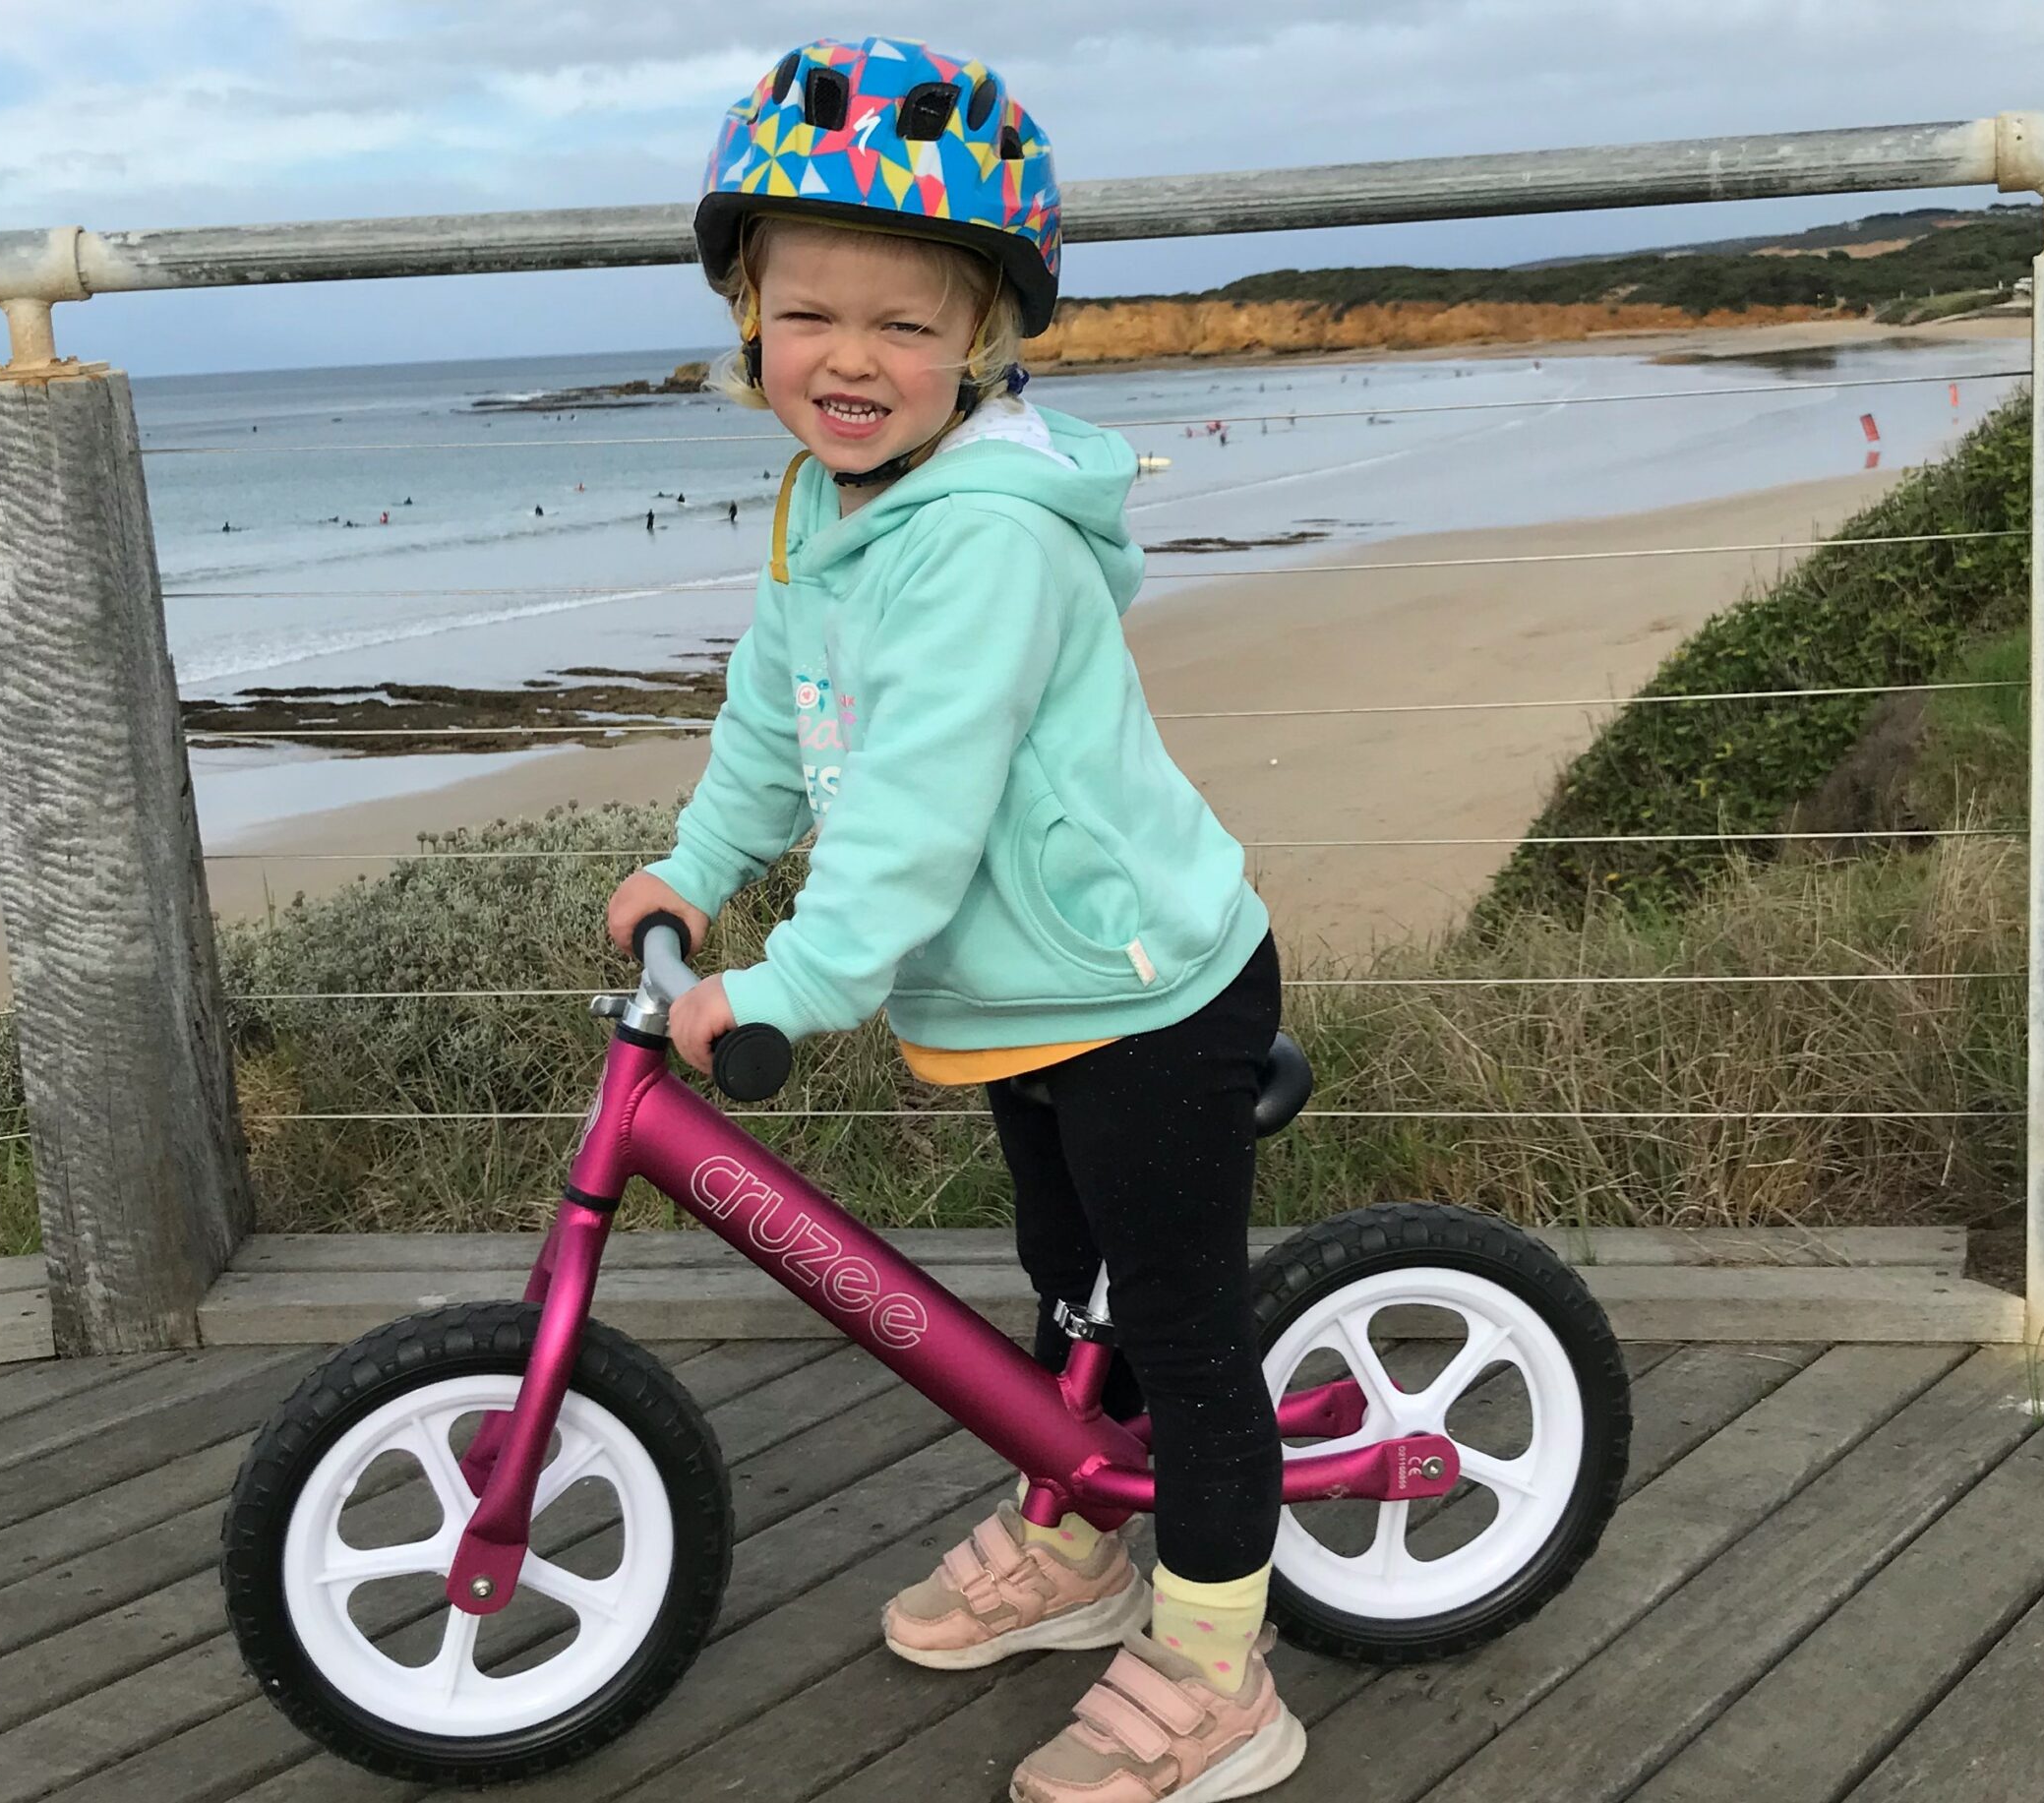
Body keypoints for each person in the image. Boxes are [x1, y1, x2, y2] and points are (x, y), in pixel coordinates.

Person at [605, 38, 1295, 1802]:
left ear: (984, 341)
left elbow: (921, 798)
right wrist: (696, 864)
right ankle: (1081, 1538)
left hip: (1142, 992)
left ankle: (1221, 1668)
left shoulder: (983, 541)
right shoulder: (828, 508)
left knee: (1187, 1329)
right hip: (1019, 998)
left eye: (905, 327)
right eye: (810, 312)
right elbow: (780, 715)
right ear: (748, 312)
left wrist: (797, 981)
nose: (851, 359)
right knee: (1073, 1299)